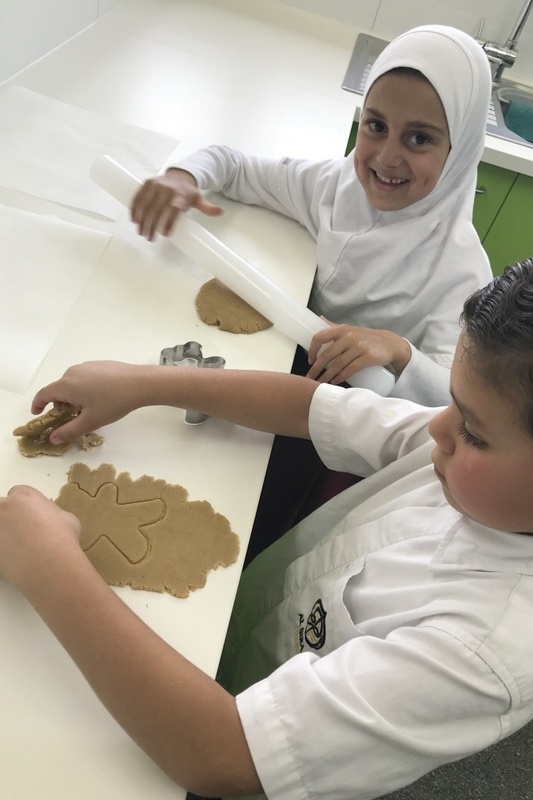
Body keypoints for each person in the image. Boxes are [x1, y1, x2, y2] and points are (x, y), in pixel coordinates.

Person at [2, 258, 533, 800]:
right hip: (224, 643)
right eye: (450, 403)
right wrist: (144, 383)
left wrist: (49, 565)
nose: (435, 425)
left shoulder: (483, 651)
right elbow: (317, 408)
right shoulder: (467, 462)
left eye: (473, 430)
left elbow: (223, 755)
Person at [130, 25, 494, 556]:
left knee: (245, 531)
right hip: (279, 369)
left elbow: (459, 406)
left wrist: (398, 352)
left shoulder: (460, 274)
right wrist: (185, 176)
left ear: (459, 150)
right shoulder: (335, 187)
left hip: (334, 431)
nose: (387, 157)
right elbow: (233, 165)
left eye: (419, 138)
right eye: (376, 125)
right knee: (192, 463)